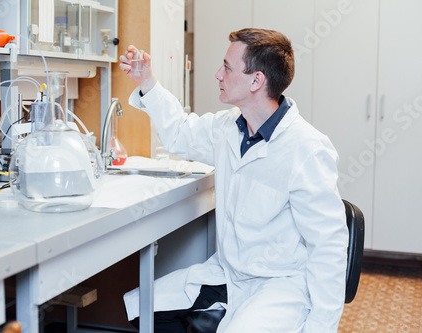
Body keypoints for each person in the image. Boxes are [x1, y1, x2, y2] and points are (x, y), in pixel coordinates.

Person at [119, 28, 349, 333]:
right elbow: (179, 132)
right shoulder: (229, 127)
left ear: (256, 81)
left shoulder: (306, 148)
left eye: (227, 67)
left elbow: (328, 247)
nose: (218, 74)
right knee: (146, 307)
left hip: (281, 285)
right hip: (229, 274)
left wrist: (321, 327)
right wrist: (146, 80)